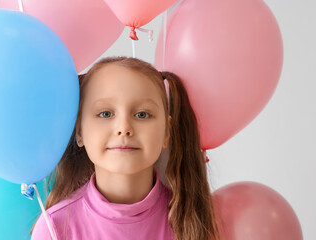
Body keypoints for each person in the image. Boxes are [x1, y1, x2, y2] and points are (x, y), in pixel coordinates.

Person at [31, 56, 221, 240]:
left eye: (142, 115)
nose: (124, 128)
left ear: (166, 132)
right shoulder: (54, 228)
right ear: (79, 131)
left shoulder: (193, 221)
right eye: (105, 114)